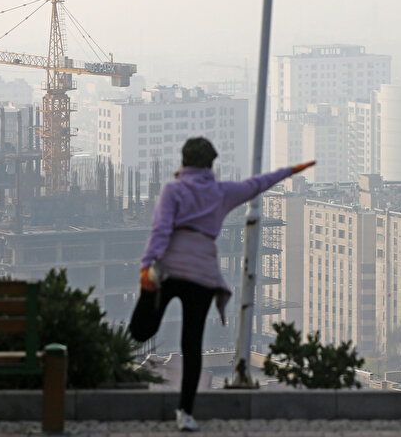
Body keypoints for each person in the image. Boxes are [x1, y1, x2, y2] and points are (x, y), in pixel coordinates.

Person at [129, 136, 314, 432]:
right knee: (192, 345)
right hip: (203, 275)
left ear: (184, 162)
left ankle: (146, 313)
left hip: (171, 269)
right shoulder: (220, 192)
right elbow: (258, 184)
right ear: (210, 164)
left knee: (141, 330)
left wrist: (146, 266)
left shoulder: (173, 191)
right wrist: (292, 170)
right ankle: (185, 413)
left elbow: (161, 230)